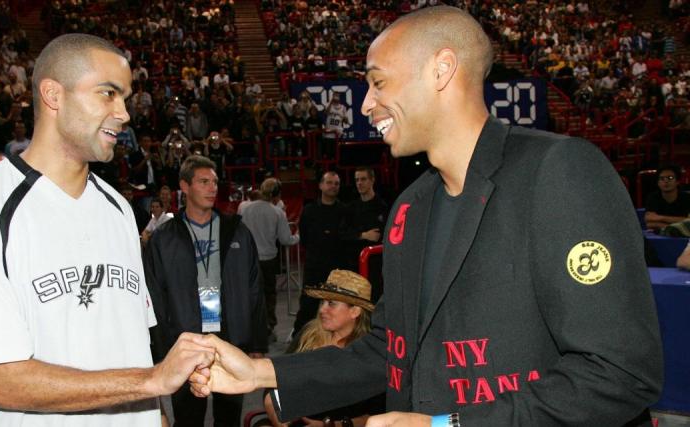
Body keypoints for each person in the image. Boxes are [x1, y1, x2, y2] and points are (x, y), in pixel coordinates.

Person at [190, 6, 663, 427]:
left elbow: (619, 372)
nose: (366, 104)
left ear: (441, 70)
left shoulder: (558, 172)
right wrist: (262, 371)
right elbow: (391, 350)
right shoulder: (410, 208)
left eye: (378, 82)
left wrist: (447, 424)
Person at [0, 33, 215, 426]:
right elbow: (2, 382)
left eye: (125, 97)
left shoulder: (118, 211)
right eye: (108, 93)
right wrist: (154, 380)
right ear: (53, 95)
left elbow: (131, 347)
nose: (124, 113)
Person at [143, 155, 267, 427]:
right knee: (188, 416)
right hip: (185, 339)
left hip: (230, 335)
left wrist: (257, 341)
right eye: (203, 182)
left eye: (214, 182)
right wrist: (162, 346)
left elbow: (254, 287)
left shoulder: (237, 231)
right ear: (184, 187)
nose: (212, 188)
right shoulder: (164, 237)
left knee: (229, 416)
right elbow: (154, 295)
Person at [263, 269, 383, 427]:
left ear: (355, 311)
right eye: (322, 302)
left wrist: (332, 425)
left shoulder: (370, 350)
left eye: (331, 303)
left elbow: (379, 415)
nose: (321, 310)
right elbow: (275, 383)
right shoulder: (309, 334)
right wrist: (274, 411)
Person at [240, 177, 300, 340]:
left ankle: (250, 326)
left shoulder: (245, 209)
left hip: (248, 258)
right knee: (268, 294)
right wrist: (298, 236)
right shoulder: (277, 212)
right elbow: (286, 240)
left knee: (250, 293)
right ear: (277, 194)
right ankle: (268, 326)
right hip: (267, 260)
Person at [293, 171, 346, 335]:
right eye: (329, 183)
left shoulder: (344, 210)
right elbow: (305, 238)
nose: (333, 187)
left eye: (336, 183)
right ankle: (300, 339)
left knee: (336, 306)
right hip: (314, 267)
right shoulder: (309, 210)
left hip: (337, 268)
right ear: (321, 185)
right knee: (308, 305)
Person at [339, 167, 389, 301]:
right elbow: (342, 234)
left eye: (363, 179)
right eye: (357, 180)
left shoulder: (383, 207)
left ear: (372, 180)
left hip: (377, 268)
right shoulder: (351, 208)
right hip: (354, 266)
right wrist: (363, 235)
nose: (359, 183)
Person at [644, 165, 690, 231]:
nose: (666, 181)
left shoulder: (687, 198)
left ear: (677, 182)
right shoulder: (652, 197)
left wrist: (660, 218)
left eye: (670, 178)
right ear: (658, 183)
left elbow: (689, 222)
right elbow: (649, 221)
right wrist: (679, 225)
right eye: (662, 179)